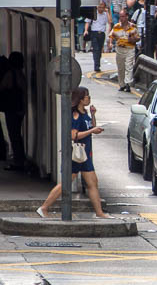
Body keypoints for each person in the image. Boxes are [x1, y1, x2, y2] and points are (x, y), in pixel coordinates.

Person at [36, 87, 112, 219]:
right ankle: (44, 207)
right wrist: (91, 132)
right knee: (65, 184)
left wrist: (93, 115)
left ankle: (99, 212)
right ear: (80, 99)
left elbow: (91, 126)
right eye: (87, 96)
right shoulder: (75, 115)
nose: (89, 98)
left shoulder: (85, 113)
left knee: (92, 183)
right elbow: (74, 135)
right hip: (76, 155)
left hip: (84, 155)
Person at [0, 52, 26, 170]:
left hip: (11, 108)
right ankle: (20, 159)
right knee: (17, 135)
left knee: (13, 134)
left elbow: (2, 87)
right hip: (19, 108)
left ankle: (18, 160)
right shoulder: (21, 75)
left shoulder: (10, 75)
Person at [108, 10, 139, 92]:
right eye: (120, 16)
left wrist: (132, 39)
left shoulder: (133, 27)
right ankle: (122, 84)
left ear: (127, 17)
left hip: (130, 49)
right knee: (121, 68)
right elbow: (111, 36)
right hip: (119, 49)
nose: (121, 18)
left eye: (123, 16)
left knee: (129, 66)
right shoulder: (116, 26)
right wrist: (110, 44)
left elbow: (138, 38)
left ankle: (128, 84)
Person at [84, 1, 112, 72]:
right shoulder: (93, 13)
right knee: (96, 49)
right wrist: (86, 30)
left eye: (102, 7)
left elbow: (110, 21)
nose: (101, 9)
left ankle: (97, 63)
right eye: (99, 7)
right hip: (94, 33)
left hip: (101, 34)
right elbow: (87, 22)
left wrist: (108, 12)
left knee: (99, 50)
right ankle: (96, 65)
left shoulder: (105, 14)